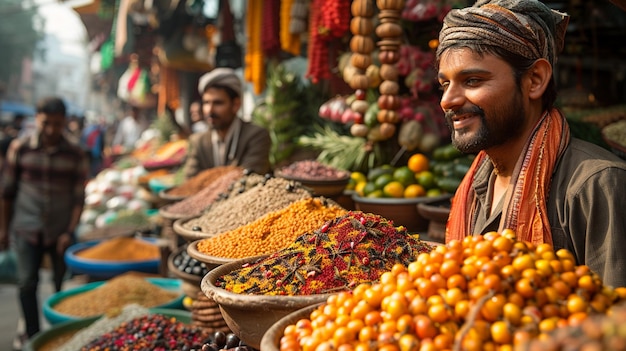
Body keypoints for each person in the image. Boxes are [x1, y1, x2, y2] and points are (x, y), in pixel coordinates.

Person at [437, 0, 626, 288]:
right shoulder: (478, 183)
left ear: (535, 80)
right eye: (444, 84)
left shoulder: (596, 186)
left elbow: (617, 323)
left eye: (472, 80)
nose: (447, 100)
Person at [0, 97, 88, 347]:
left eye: (57, 124)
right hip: (26, 227)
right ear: (37, 119)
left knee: (61, 284)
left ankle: (59, 334)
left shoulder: (75, 153)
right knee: (27, 282)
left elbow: (78, 198)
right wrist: (3, 230)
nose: (51, 130)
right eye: (46, 123)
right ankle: (33, 334)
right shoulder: (20, 148)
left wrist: (69, 231)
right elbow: (6, 193)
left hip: (59, 230)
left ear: (64, 123)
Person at [182, 68, 271, 178]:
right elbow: (191, 182)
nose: (209, 110)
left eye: (218, 103)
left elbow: (249, 178)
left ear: (236, 105)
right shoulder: (198, 142)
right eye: (206, 103)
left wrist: (207, 180)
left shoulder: (256, 136)